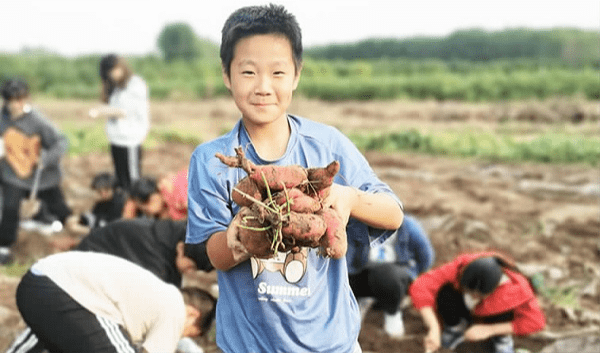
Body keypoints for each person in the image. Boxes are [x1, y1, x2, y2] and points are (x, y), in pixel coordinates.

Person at [185, 4, 404, 353]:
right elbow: (214, 255)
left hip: (332, 344)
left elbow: (393, 213)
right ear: (226, 75)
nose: (262, 87)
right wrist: (246, 232)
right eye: (248, 72)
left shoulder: (327, 145)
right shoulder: (211, 161)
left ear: (297, 75)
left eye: (277, 73)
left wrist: (347, 198)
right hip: (249, 346)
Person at [10, 251, 214, 353]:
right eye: (187, 334)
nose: (178, 338)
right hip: (62, 293)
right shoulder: (175, 308)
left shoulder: (150, 293)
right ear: (193, 313)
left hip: (35, 283)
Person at [408, 251, 546, 353]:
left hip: (493, 317)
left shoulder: (517, 287)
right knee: (445, 290)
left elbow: (536, 322)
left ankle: (502, 340)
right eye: (470, 292)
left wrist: (490, 330)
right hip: (467, 312)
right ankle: (455, 328)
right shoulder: (461, 266)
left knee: (507, 307)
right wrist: (434, 327)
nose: (473, 297)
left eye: (479, 295)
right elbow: (421, 285)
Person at [0, 79, 74, 265]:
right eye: (14, 100)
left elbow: (61, 142)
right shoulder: (2, 120)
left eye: (22, 99)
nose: (19, 104)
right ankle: (4, 248)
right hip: (13, 174)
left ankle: (79, 236)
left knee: (60, 209)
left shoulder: (37, 120)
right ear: (6, 101)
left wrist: (46, 159)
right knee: (10, 208)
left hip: (42, 176)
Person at [347, 214, 435, 338]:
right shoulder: (357, 224)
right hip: (364, 272)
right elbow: (347, 255)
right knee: (344, 277)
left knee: (385, 274)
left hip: (395, 275)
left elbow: (426, 256)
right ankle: (355, 306)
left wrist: (414, 274)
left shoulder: (408, 225)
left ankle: (392, 314)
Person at [89, 54, 149, 191]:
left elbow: (123, 111)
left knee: (132, 181)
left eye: (113, 71)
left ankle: (135, 208)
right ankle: (124, 207)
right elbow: (111, 106)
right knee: (121, 179)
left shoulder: (135, 84)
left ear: (121, 67)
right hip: (116, 139)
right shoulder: (117, 87)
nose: (112, 75)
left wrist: (100, 112)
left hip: (130, 140)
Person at [122, 170, 188, 220]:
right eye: (144, 210)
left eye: (147, 201)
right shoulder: (163, 210)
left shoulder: (178, 190)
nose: (148, 209)